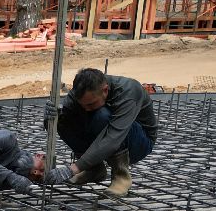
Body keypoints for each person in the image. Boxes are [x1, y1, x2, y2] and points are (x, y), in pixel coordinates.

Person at [45, 68, 159, 198]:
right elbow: (60, 125)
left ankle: (121, 177)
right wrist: (50, 117)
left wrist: (73, 169)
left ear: (105, 90)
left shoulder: (129, 90)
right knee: (63, 119)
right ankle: (94, 169)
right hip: (104, 137)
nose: (86, 109)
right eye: (83, 105)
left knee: (101, 115)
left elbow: (113, 137)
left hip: (138, 143)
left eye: (91, 104)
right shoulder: (79, 93)